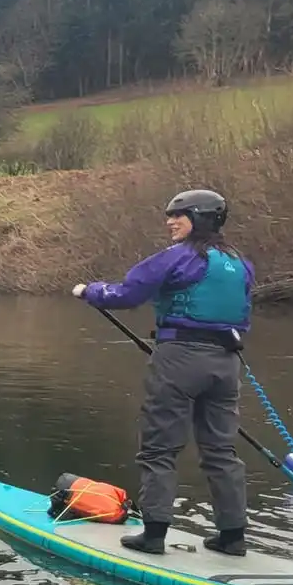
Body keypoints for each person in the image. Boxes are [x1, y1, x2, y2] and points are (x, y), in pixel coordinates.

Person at [72, 189, 254, 557]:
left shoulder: (179, 257)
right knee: (220, 450)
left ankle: (153, 534)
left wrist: (88, 290)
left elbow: (127, 293)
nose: (170, 221)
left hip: (180, 360)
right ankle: (233, 537)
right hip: (226, 363)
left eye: (179, 215)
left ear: (200, 219)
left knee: (159, 448)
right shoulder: (241, 263)